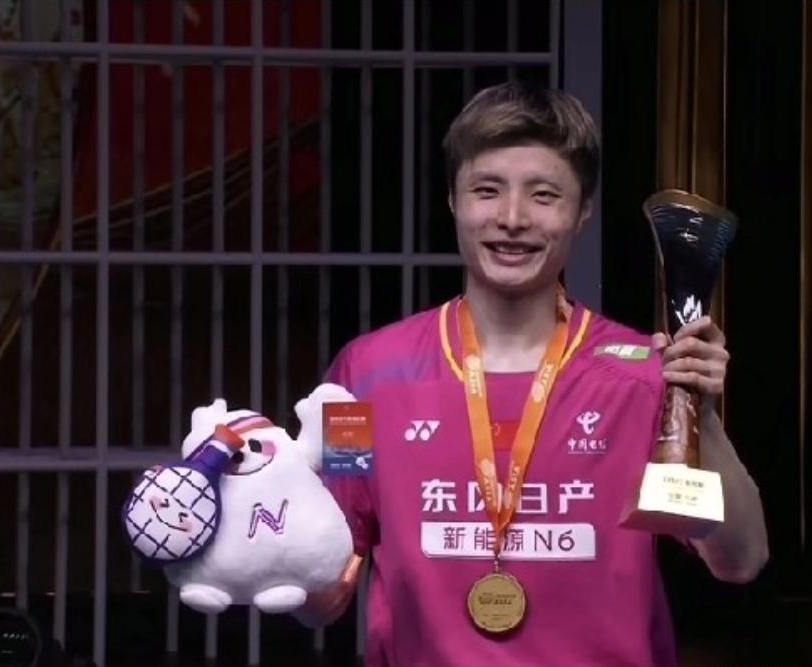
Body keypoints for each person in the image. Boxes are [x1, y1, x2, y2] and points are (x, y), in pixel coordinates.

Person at [294, 81, 768, 666]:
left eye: (544, 195)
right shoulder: (364, 375)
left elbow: (740, 560)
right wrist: (252, 544)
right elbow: (326, 589)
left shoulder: (646, 379)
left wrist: (701, 412)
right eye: (486, 190)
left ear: (583, 210)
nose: (512, 218)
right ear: (452, 200)